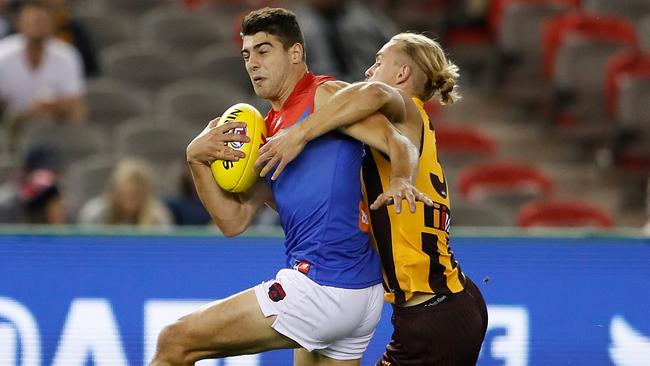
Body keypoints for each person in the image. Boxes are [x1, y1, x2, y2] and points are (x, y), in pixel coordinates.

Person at [150, 7, 430, 366]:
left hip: (321, 284)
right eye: (247, 54)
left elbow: (400, 142)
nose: (253, 63)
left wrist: (403, 179)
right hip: (358, 293)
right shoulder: (265, 131)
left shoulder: (325, 95)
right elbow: (233, 221)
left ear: (295, 53)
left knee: (174, 341)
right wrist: (196, 160)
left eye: (264, 51)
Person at [256, 32, 488, 365]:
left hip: (434, 314)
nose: (368, 71)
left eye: (379, 62)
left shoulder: (406, 108)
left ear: (402, 75)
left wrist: (299, 132)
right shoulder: (392, 138)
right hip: (439, 307)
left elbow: (375, 92)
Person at [0, 0, 86, 129]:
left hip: (53, 129)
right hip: (9, 127)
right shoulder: (3, 55)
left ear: (54, 25)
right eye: (33, 22)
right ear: (19, 23)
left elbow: (76, 106)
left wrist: (57, 106)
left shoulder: (67, 55)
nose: (38, 26)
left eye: (43, 22)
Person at [78, 158, 173, 228]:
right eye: (126, 194)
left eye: (135, 195)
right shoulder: (94, 215)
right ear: (115, 192)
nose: (130, 200)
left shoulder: (158, 217)